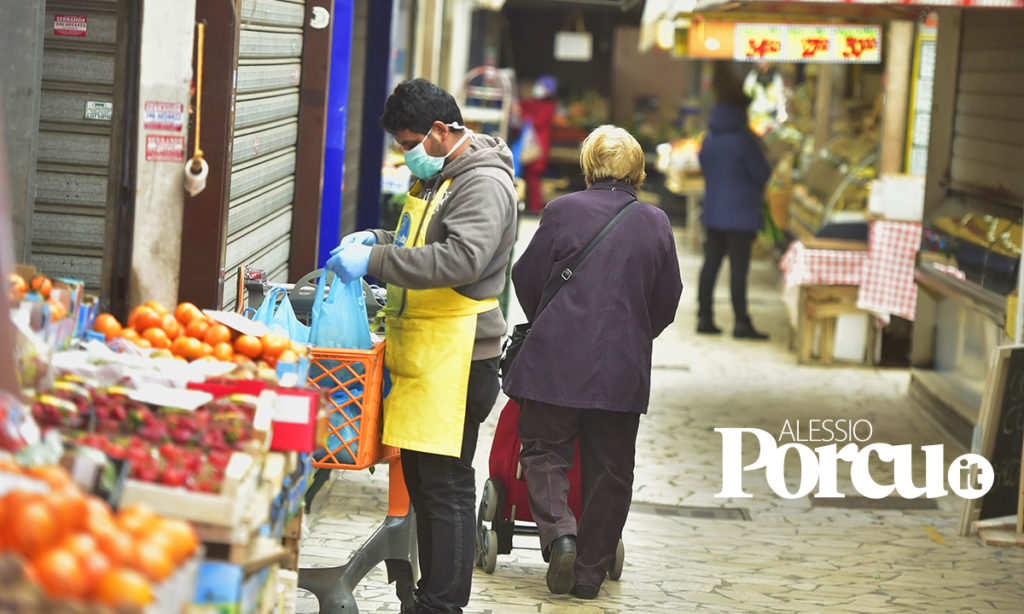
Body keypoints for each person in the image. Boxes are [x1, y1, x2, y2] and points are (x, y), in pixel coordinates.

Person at [326, 78, 517, 614]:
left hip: (461, 359)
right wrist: (378, 240)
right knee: (424, 482)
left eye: (410, 143)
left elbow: (461, 259)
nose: (407, 154)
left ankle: (442, 604)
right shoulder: (441, 179)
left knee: (446, 487)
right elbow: (420, 245)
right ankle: (430, 596)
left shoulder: (482, 184)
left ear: (439, 131)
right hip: (429, 356)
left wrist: (375, 262)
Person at [501, 125, 682, 600]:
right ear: (638, 172)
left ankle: (561, 535)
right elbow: (668, 300)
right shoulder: (657, 222)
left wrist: (549, 320)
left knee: (543, 450)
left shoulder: (561, 211)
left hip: (554, 361)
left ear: (588, 168)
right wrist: (633, 335)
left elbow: (526, 276)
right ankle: (588, 575)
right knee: (612, 470)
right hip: (622, 372)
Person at [696, 77, 772, 340]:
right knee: (739, 269)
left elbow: (705, 166)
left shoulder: (709, 138)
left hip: (713, 210)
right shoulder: (744, 140)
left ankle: (704, 317)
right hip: (741, 214)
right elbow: (762, 173)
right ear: (741, 110)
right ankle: (741, 322)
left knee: (711, 263)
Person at [518, 75, 557, 214]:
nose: (537, 88)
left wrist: (522, 115)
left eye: (542, 87)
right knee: (529, 178)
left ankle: (534, 209)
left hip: (537, 148)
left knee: (533, 179)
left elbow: (535, 122)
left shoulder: (549, 107)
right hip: (531, 146)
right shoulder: (535, 103)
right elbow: (523, 105)